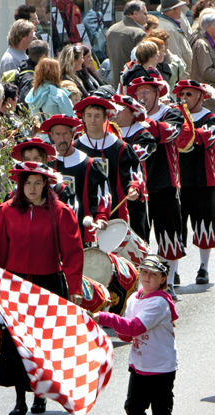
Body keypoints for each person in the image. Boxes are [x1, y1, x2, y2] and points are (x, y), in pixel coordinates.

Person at [0, 162, 86, 415]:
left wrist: (75, 289)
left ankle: (41, 394)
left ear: (46, 185)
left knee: (44, 345)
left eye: (38, 183)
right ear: (20, 184)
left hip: (49, 284)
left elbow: (73, 254)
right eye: (28, 183)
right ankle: (19, 400)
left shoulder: (60, 212)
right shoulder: (5, 212)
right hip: (15, 288)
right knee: (16, 346)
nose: (32, 188)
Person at [95, 254, 178, 415]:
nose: (147, 277)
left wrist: (103, 317)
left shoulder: (160, 302)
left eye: (153, 274)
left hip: (161, 368)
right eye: (144, 272)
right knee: (133, 410)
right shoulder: (133, 299)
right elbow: (127, 335)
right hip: (139, 365)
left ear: (163, 279)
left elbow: (134, 327)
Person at [126, 76, 185, 299]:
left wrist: (142, 120)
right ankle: (143, 283)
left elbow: (166, 133)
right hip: (138, 184)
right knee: (141, 235)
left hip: (164, 181)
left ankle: (169, 281)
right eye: (138, 92)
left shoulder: (172, 113)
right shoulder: (130, 119)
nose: (141, 96)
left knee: (168, 232)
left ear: (157, 93)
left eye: (146, 92)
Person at [174, 80, 215, 285]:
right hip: (178, 180)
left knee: (205, 225)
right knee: (176, 227)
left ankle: (204, 268)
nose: (184, 98)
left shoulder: (211, 118)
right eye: (182, 94)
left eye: (189, 94)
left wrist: (184, 131)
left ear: (201, 96)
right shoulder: (174, 116)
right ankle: (173, 271)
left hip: (203, 180)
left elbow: (207, 138)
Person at [72, 96, 143, 225]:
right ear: (82, 117)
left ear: (106, 118)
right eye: (89, 115)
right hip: (83, 211)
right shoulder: (74, 148)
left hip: (114, 209)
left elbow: (132, 175)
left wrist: (133, 188)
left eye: (97, 116)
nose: (92, 120)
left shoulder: (120, 147)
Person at [41, 114, 111, 244]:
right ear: (51, 136)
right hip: (50, 231)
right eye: (57, 134)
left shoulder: (88, 164)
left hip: (81, 230)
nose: (62, 139)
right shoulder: (45, 164)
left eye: (66, 134)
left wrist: (101, 216)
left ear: (73, 134)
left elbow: (101, 193)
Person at [112, 93, 156, 241]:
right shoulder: (107, 134)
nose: (115, 111)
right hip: (113, 190)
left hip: (135, 191)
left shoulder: (143, 135)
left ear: (132, 113)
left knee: (138, 236)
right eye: (114, 107)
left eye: (121, 108)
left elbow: (135, 157)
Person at [107, 0, 147, 89]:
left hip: (117, 82)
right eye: (145, 14)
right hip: (133, 85)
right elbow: (143, 62)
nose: (147, 17)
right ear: (135, 14)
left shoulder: (111, 29)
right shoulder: (139, 33)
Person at [158, 0, 193, 79]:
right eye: (180, 6)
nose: (181, 9)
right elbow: (175, 63)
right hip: (178, 82)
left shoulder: (166, 24)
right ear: (176, 9)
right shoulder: (170, 29)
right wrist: (183, 84)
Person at [17, 40, 50, 106]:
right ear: (43, 57)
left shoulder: (23, 67)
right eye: (47, 56)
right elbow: (24, 105)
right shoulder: (31, 80)